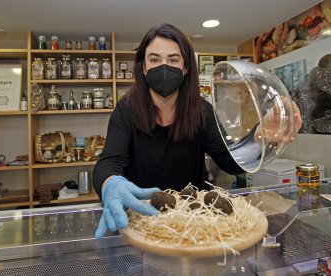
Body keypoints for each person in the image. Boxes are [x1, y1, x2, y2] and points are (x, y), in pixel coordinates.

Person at [93, 23, 302, 239]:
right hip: (141, 221)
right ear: (144, 68)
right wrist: (111, 184)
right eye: (154, 60)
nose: (164, 67)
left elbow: (228, 161)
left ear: (185, 68)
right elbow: (109, 162)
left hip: (192, 224)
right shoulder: (126, 110)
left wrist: (260, 134)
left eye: (173, 60)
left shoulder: (202, 111)